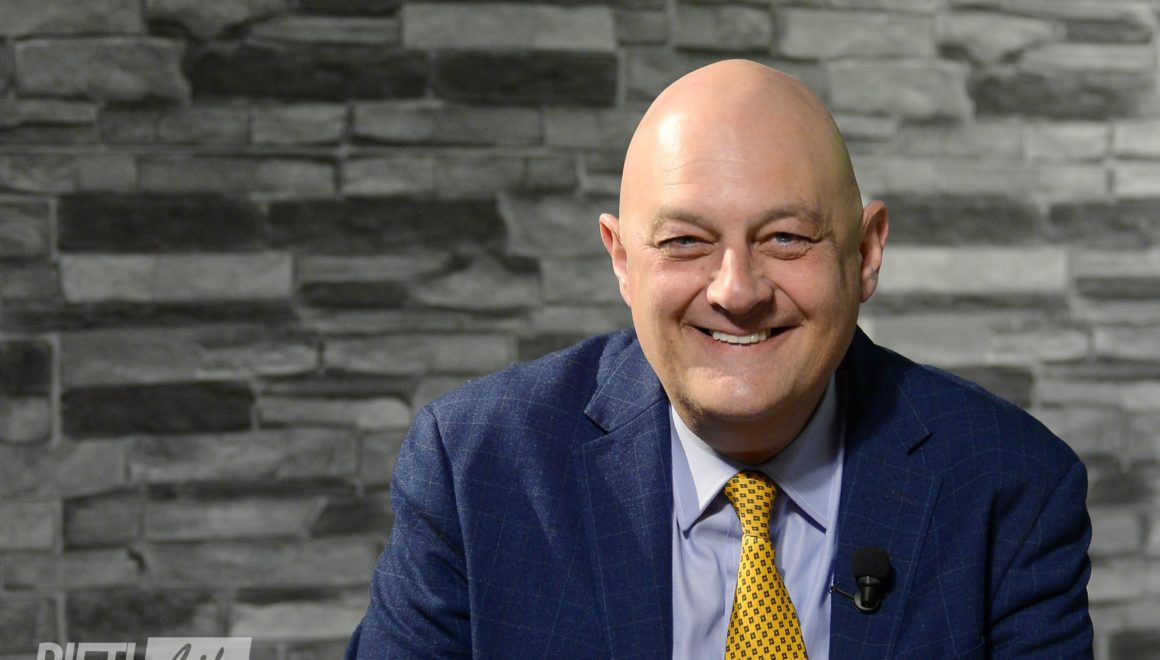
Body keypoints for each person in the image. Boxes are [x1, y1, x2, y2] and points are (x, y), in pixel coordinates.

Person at [345, 59, 1093, 658]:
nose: (737, 291)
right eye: (685, 242)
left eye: (786, 238)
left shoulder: (1012, 484)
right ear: (623, 260)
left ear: (865, 254)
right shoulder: (476, 467)